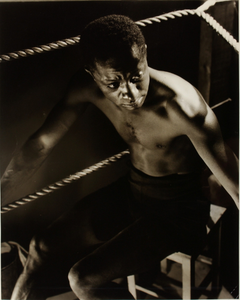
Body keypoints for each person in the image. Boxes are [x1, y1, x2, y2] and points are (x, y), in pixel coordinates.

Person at [1, 15, 238, 300]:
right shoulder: (84, 87)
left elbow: (236, 186)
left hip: (178, 212)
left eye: (136, 77)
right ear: (92, 73)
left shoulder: (183, 106)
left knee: (83, 279)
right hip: (132, 193)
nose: (130, 93)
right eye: (113, 84)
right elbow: (39, 145)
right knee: (40, 247)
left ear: (144, 55)